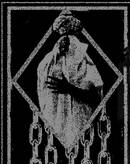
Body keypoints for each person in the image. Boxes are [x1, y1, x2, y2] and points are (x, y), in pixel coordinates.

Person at [36, 10, 103, 148]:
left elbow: (96, 97)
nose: (66, 44)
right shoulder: (48, 63)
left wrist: (69, 89)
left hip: (81, 130)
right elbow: (43, 90)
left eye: (70, 39)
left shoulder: (86, 64)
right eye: (63, 39)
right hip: (56, 128)